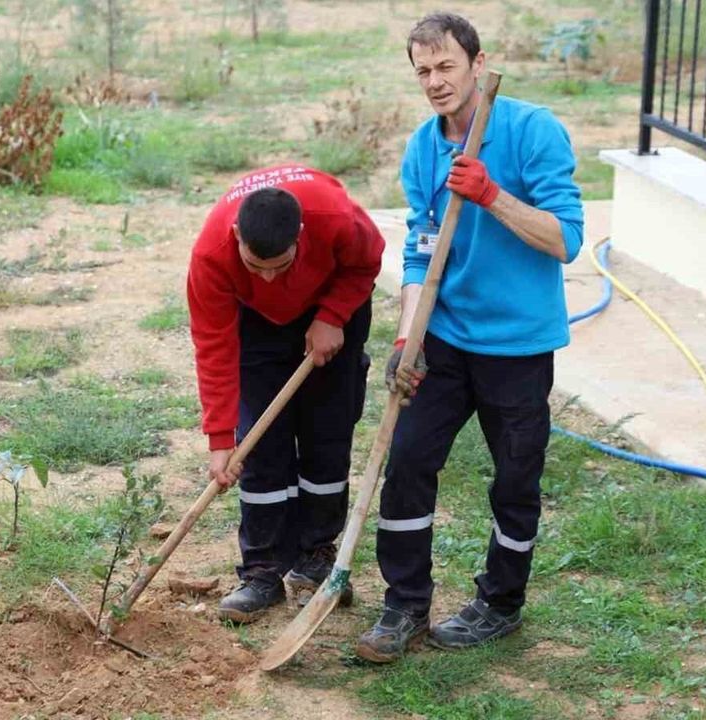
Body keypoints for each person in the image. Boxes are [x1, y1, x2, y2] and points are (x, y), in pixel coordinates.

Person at [355, 12, 585, 663]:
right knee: (407, 461)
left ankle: (501, 603)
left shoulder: (533, 130)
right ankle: (404, 604)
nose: (435, 81)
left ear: (478, 66)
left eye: (446, 66)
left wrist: (491, 195)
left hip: (517, 344)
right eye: (423, 71)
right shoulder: (422, 148)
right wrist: (407, 338)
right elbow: (420, 252)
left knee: (514, 478)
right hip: (446, 335)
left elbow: (565, 239)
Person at [187, 165, 385, 623]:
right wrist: (220, 439)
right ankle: (263, 571)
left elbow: (366, 261)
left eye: (280, 265)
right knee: (261, 440)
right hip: (255, 321)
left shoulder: (335, 216)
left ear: (300, 234)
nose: (269, 278)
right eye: (255, 266)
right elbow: (213, 347)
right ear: (237, 235)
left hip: (329, 306)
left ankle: (316, 557)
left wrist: (333, 315)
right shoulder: (211, 256)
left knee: (327, 433)